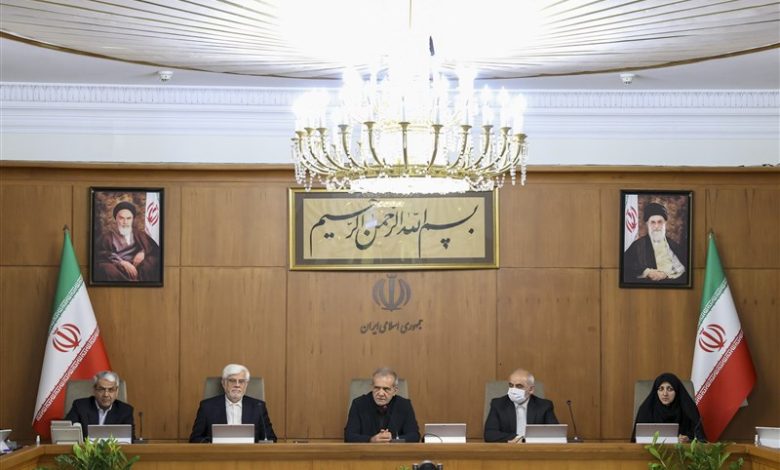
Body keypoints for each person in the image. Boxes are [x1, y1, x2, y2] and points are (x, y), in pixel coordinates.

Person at [189, 364, 277, 443]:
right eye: (232, 381)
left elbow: (270, 438)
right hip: (218, 454)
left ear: (246, 384)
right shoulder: (207, 407)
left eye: (241, 381)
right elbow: (195, 439)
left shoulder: (258, 407)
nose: (237, 385)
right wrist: (212, 445)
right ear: (224, 383)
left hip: (249, 454)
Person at [344, 367, 420, 442]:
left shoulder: (404, 405)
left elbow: (414, 436)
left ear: (395, 391)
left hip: (395, 450)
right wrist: (371, 440)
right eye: (377, 388)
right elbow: (349, 436)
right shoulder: (359, 404)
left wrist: (392, 438)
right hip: (366, 450)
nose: (380, 393)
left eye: (386, 389)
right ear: (372, 387)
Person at [484, 368, 559, 443]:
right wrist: (517, 438)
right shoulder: (498, 404)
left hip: (534, 448)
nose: (513, 390)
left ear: (531, 389)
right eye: (511, 385)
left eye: (519, 386)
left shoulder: (544, 406)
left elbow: (555, 434)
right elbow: (489, 434)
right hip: (509, 447)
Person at [94, 200, 160, 282]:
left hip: (137, 267)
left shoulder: (140, 235)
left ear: (132, 219)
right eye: (121, 218)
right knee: (107, 269)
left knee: (151, 262)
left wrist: (143, 253)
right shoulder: (107, 237)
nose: (125, 222)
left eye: (128, 218)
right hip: (117, 267)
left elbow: (153, 249)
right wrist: (122, 262)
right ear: (116, 219)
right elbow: (101, 254)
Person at [623, 202, 687, 283]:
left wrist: (666, 275)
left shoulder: (674, 246)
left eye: (660, 222)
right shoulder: (637, 246)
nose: (656, 226)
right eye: (653, 222)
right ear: (647, 224)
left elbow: (685, 270)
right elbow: (625, 266)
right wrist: (647, 272)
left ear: (665, 223)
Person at [632, 372, 705, 443]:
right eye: (661, 389)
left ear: (677, 391)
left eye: (670, 389)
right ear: (656, 391)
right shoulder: (646, 410)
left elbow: (700, 440)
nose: (665, 394)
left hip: (681, 450)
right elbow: (637, 440)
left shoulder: (688, 410)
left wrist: (688, 439)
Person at [64, 370, 134, 438]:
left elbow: (130, 440)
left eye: (111, 390)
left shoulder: (125, 411)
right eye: (101, 389)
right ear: (94, 390)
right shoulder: (80, 406)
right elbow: (66, 432)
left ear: (117, 391)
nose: (106, 394)